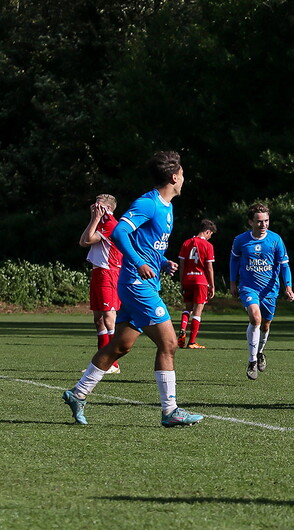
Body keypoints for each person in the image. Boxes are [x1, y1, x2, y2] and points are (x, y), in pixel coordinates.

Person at [62, 150, 203, 427]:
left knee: (120, 346)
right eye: (183, 174)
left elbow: (145, 242)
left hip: (145, 281)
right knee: (169, 343)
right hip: (137, 285)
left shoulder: (167, 206)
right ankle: (170, 410)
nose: (184, 179)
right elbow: (119, 232)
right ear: (174, 177)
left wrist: (161, 261)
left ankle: (77, 393)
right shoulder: (148, 203)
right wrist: (138, 263)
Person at [230, 203, 294, 381]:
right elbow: (234, 261)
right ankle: (251, 362)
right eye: (259, 221)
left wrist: (287, 286)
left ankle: (259, 353)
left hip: (270, 290)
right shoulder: (241, 240)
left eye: (266, 221)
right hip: (249, 287)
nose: (263, 224)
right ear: (251, 221)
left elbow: (284, 266)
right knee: (255, 318)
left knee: (265, 325)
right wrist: (233, 282)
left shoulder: (275, 240)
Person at [78, 194, 123, 374]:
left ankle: (113, 364)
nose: (94, 207)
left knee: (109, 318)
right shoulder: (99, 223)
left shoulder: (110, 224)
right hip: (98, 272)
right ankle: (100, 362)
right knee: (98, 320)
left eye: (99, 206)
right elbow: (82, 241)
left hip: (109, 273)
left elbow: (87, 240)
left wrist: (96, 218)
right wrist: (94, 219)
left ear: (108, 208)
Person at [177, 219, 217, 349]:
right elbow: (209, 267)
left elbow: (182, 265)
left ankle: (182, 331)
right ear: (207, 231)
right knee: (197, 311)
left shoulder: (186, 243)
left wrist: (182, 281)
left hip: (187, 280)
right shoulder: (208, 246)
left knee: (187, 308)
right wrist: (212, 285)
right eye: (210, 234)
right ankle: (192, 342)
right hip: (201, 281)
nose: (210, 237)